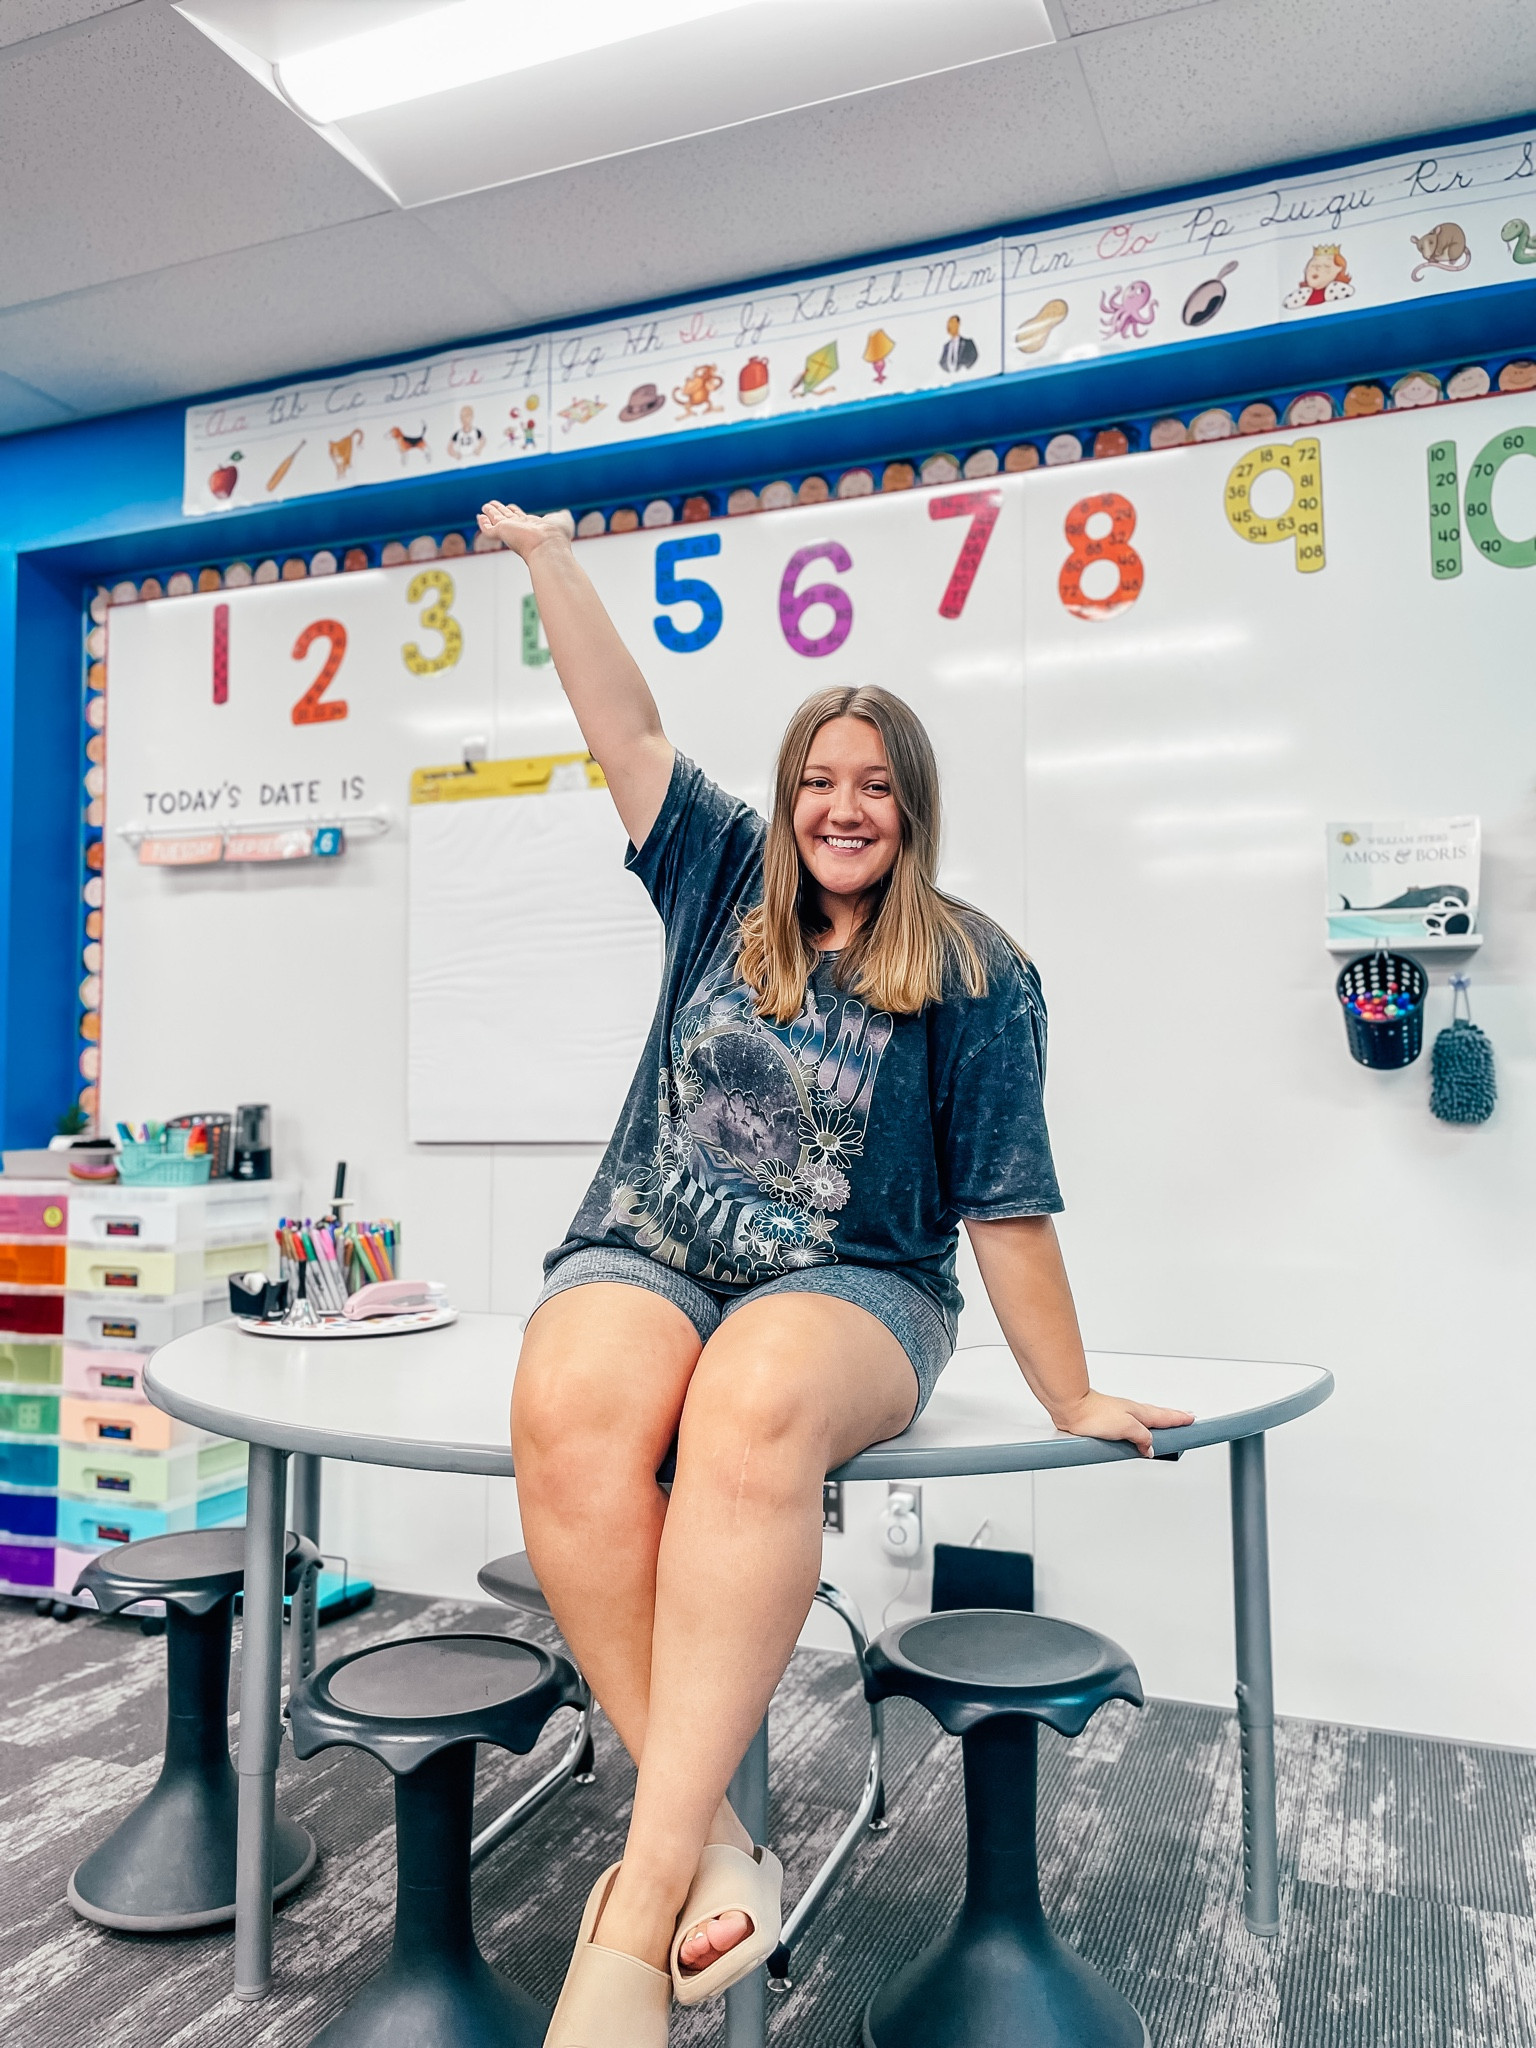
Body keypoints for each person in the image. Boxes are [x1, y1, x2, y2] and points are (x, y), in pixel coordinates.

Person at [475, 495, 1193, 2046]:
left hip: (858, 1288)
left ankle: (632, 1916)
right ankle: (714, 1844)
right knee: (568, 1402)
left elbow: (1006, 1209)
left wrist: (1071, 1389)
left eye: (873, 784)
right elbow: (626, 723)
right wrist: (550, 563)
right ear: (791, 795)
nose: (841, 805)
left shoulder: (982, 973)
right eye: (820, 778)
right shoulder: (721, 874)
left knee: (747, 1407)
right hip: (650, 1247)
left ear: (911, 805)